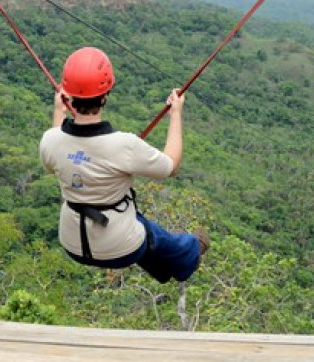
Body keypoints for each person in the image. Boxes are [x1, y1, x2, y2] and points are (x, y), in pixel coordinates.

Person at [39, 46, 210, 284]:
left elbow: (57, 146)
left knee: (140, 231)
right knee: (147, 232)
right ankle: (191, 249)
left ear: (68, 95)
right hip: (121, 248)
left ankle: (166, 271)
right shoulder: (124, 145)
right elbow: (171, 166)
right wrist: (176, 114)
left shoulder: (50, 140)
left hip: (72, 243)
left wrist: (59, 111)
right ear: (106, 94)